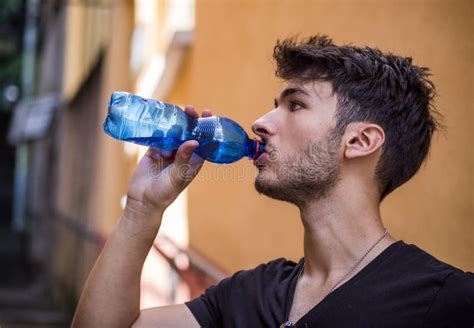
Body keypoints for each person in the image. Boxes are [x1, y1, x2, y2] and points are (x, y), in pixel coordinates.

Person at [72, 35, 474, 327]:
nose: (260, 124)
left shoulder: (448, 302)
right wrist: (143, 210)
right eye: (273, 106)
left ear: (361, 141)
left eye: (295, 105)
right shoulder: (250, 294)